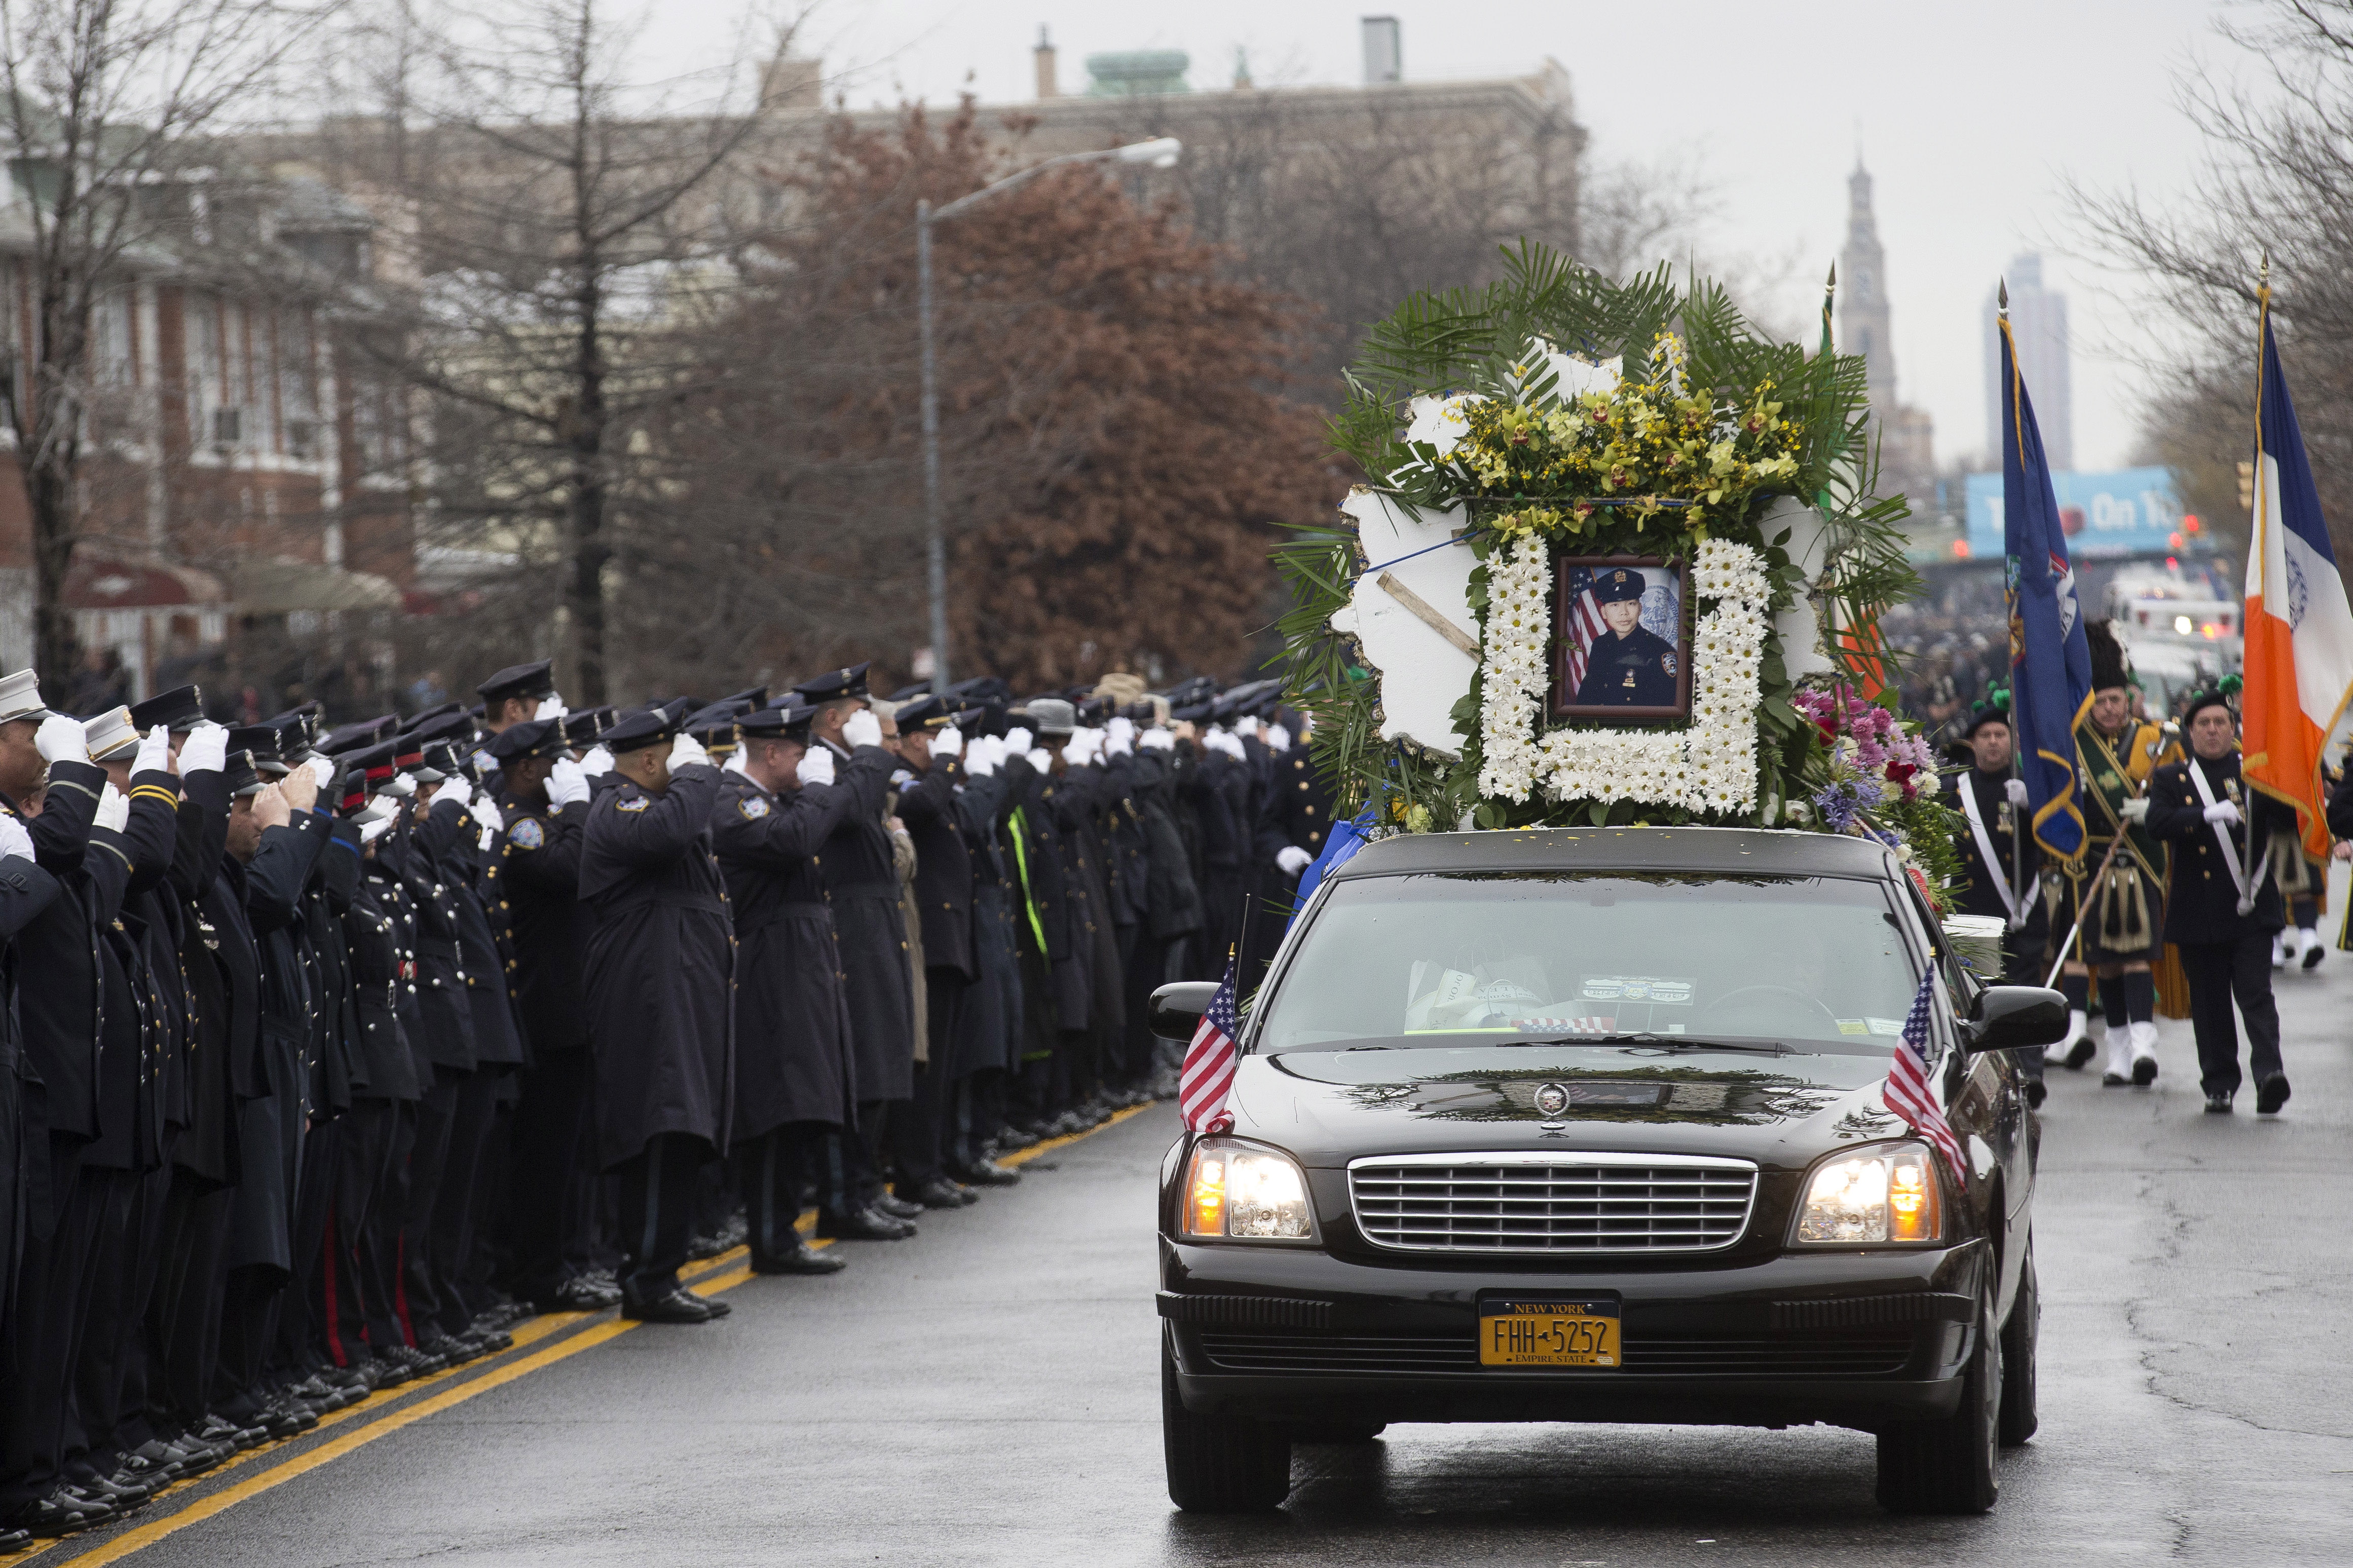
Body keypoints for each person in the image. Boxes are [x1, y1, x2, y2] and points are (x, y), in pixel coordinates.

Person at [577, 706, 735, 1323]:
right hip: (648, 994)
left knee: (681, 1129)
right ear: (649, 761)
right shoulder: (619, 808)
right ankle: (646, 1274)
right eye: (676, 757)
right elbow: (669, 832)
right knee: (658, 1128)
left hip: (678, 990)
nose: (694, 772)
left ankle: (662, 1267)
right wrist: (698, 778)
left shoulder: (657, 806)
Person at [708, 702, 856, 1273]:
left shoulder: (775, 799)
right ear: (771, 752)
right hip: (768, 971)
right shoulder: (735, 801)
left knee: (800, 1104)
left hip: (796, 968)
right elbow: (794, 841)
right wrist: (821, 792)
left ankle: (782, 1230)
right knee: (775, 1105)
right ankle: (770, 1237)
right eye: (797, 753)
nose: (803, 763)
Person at [789, 665, 918, 1241]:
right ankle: (843, 1198)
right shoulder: (820, 765)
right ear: (836, 717)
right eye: (859, 712)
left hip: (873, 920)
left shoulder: (847, 765)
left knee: (881, 1058)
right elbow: (848, 812)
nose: (871, 724)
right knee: (859, 1066)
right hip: (848, 924)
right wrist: (872, 756)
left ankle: (865, 1187)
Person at [2143, 691, 2293, 1114]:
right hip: (2199, 912)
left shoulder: (2253, 773)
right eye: (2204, 723)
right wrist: (2201, 818)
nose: (2212, 730)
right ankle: (2219, 1081)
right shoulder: (2173, 779)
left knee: (2255, 994)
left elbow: (2288, 818)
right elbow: (2155, 823)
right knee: (2209, 1005)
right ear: (2190, 733)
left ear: (2233, 728)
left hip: (2249, 907)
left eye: (2220, 722)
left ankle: (2269, 1074)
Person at [2052, 623, 2180, 1087]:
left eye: (2116, 700)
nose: (2109, 709)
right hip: (2095, 864)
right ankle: (2118, 1053)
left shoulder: (2154, 739)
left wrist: (2154, 809)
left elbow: (2179, 796)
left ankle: (2145, 1046)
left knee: (2135, 958)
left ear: (2128, 698)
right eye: (2101, 701)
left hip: (2140, 861)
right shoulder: (2076, 747)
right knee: (2103, 961)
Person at [1942, 702, 2052, 1103]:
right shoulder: (1954, 791)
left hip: (2022, 911)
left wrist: (2034, 808)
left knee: (2024, 996)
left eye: (2000, 735)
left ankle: (2030, 1074)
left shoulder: (2027, 785)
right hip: (1974, 913)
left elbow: (2058, 840)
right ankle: (1991, 1082)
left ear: (2012, 740)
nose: (1993, 742)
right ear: (1972, 744)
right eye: (1985, 736)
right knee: (1984, 1002)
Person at [1571, 568, 1678, 707]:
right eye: (1615, 605)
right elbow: (1587, 697)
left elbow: (1662, 711)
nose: (1624, 613)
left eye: (1631, 604)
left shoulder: (1660, 652)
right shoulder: (1601, 644)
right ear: (1604, 612)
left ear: (1640, 609)